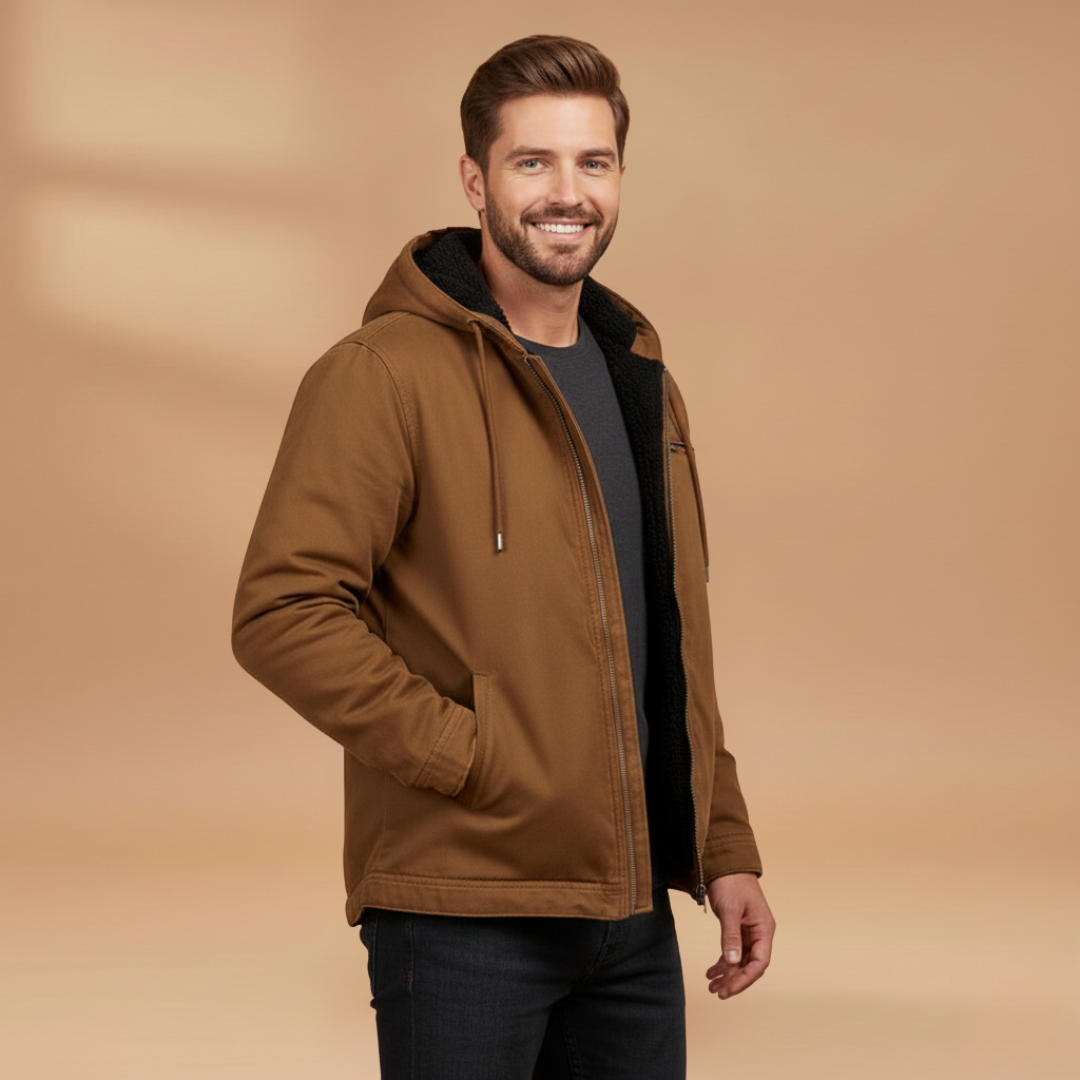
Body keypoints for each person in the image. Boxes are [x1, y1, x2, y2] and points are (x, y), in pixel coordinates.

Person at [233, 34, 774, 1079]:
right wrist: (470, 758)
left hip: (631, 916)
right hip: (462, 912)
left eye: (593, 162)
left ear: (619, 177)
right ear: (476, 180)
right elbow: (281, 612)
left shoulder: (642, 384)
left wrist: (724, 848)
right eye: (534, 162)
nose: (567, 193)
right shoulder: (381, 374)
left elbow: (667, 648)